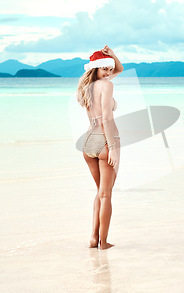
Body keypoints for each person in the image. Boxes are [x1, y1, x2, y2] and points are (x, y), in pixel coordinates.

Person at [76, 45, 124, 250]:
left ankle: (93, 239)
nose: (108, 73)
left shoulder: (85, 87)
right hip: (105, 140)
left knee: (100, 193)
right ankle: (104, 243)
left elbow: (119, 70)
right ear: (95, 68)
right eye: (104, 68)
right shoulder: (106, 86)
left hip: (88, 141)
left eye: (109, 69)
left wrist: (111, 56)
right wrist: (112, 146)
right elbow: (106, 117)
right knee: (106, 195)